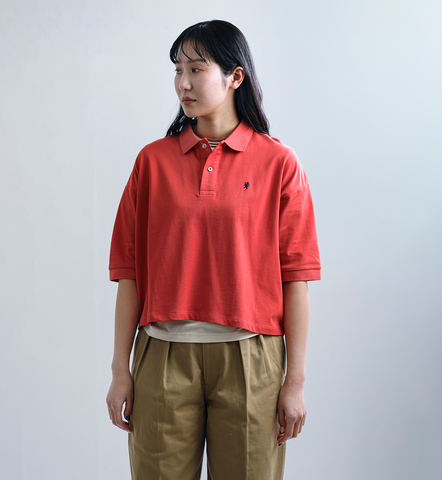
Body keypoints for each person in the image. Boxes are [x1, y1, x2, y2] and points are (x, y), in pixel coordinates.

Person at [106, 20, 321, 480]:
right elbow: (129, 275)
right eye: (177, 70)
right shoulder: (151, 162)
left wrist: (295, 382)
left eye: (196, 69)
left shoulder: (280, 164)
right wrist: (120, 370)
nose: (183, 83)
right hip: (163, 355)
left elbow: (296, 279)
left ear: (234, 76)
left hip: (252, 358)